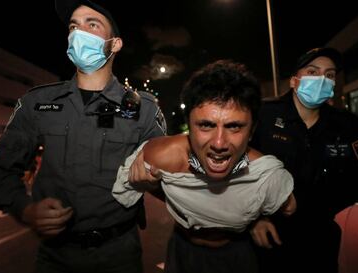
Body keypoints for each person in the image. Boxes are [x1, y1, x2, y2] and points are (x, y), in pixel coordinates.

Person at [0, 0, 166, 272]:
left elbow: (174, 181)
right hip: (55, 259)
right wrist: (27, 209)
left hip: (119, 256)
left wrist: (154, 177)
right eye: (73, 26)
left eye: (92, 24)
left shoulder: (143, 109)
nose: (79, 33)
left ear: (115, 44)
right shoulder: (37, 103)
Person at [113, 60, 296, 273]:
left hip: (238, 252)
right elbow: (126, 192)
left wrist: (258, 216)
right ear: (189, 126)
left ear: (252, 130)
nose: (219, 143)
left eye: (234, 126)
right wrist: (147, 184)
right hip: (183, 250)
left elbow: (288, 207)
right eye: (206, 125)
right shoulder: (162, 157)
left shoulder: (265, 175)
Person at [249, 47, 358, 273]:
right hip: (269, 239)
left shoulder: (347, 126)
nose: (322, 79)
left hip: (321, 242)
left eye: (330, 74)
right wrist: (255, 219)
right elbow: (240, 173)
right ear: (295, 81)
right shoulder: (263, 117)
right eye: (313, 72)